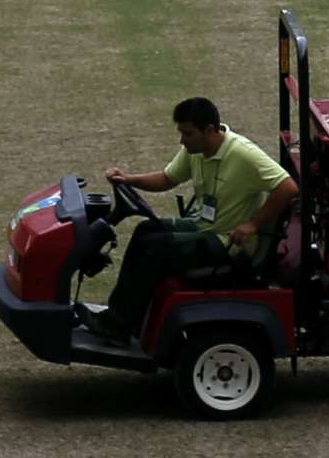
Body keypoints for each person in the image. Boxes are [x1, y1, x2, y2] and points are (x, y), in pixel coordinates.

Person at [93, 96, 295, 344]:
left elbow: (287, 187)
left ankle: (120, 326)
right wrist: (129, 179)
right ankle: (120, 315)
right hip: (204, 226)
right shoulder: (195, 150)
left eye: (187, 134)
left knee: (157, 251)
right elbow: (168, 179)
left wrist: (252, 224)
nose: (182, 140)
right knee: (145, 231)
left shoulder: (244, 154)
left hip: (226, 243)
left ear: (209, 130)